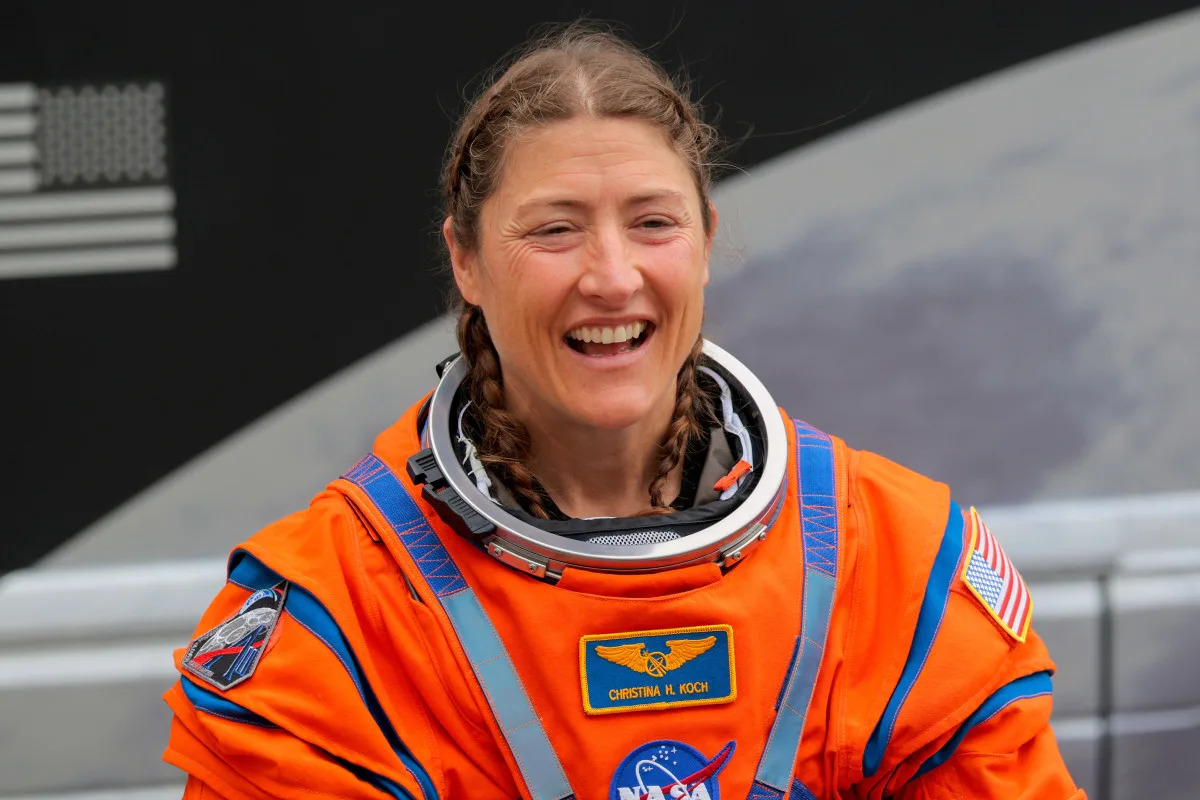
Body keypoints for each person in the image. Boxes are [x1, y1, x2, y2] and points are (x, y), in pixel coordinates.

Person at [163, 24, 1086, 800]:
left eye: (653, 222)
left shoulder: (893, 563)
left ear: (705, 241)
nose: (611, 277)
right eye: (555, 229)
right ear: (466, 261)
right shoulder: (337, 616)